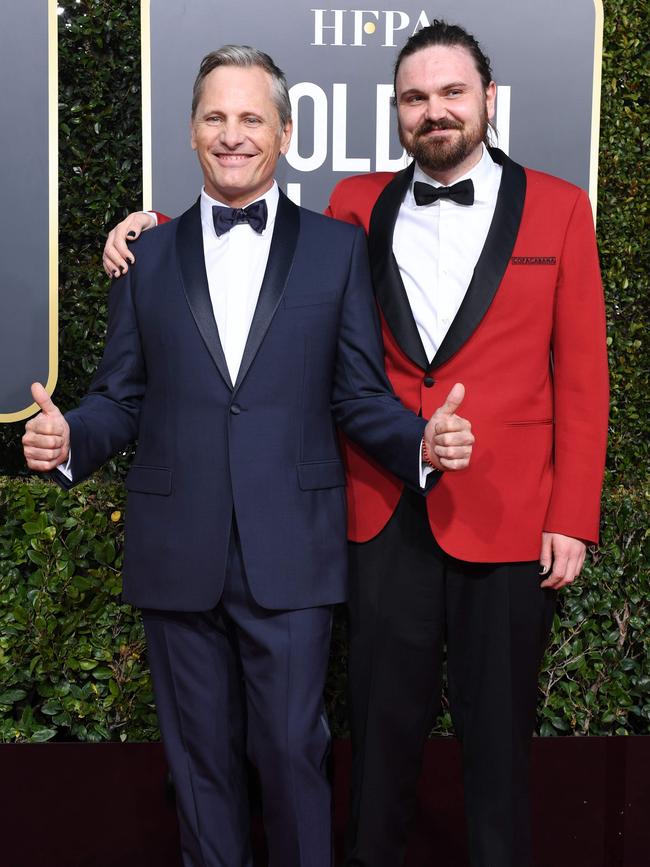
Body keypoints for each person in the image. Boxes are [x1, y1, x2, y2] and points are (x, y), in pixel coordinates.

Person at [100, 22, 609, 867]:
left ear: (489, 99)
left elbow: (583, 374)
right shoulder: (354, 207)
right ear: (397, 113)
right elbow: (250, 249)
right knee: (376, 746)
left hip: (512, 513)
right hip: (380, 508)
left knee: (498, 746)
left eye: (451, 93)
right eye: (416, 98)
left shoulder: (561, 206)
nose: (434, 111)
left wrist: (574, 514)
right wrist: (149, 229)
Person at [23, 45, 475, 867]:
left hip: (292, 548)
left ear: (287, 132)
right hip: (175, 545)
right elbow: (119, 398)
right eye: (215, 118)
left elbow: (358, 395)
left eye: (251, 118)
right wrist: (68, 440)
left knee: (293, 751)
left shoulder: (337, 252)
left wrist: (422, 441)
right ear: (192, 133)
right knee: (198, 765)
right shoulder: (145, 256)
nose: (232, 135)